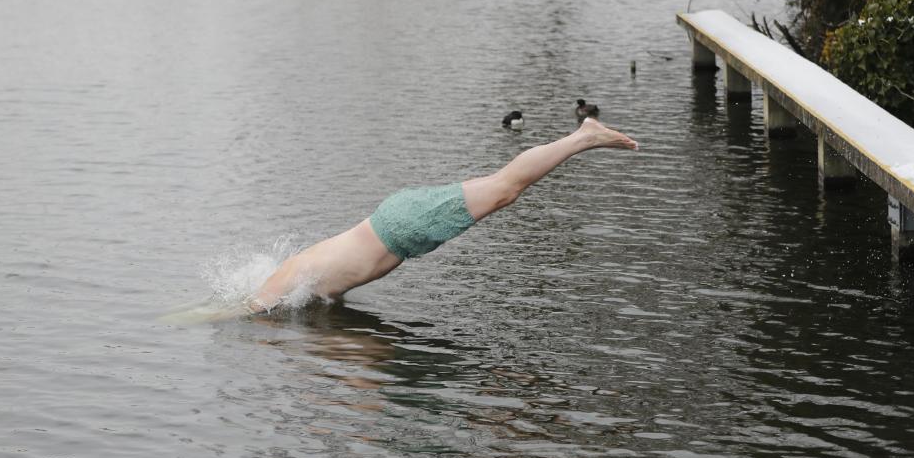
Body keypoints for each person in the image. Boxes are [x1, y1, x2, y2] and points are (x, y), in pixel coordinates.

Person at [246, 117, 638, 312]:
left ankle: (584, 136)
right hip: (399, 222)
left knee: (505, 189)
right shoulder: (298, 275)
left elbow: (246, 310)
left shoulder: (280, 288)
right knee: (503, 189)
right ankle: (582, 138)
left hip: (400, 227)